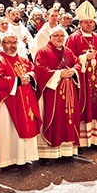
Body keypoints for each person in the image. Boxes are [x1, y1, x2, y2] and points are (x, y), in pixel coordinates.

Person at [0, 34, 42, 170]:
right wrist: (17, 81)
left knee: (26, 127)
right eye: (8, 42)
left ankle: (24, 158)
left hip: (25, 100)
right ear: (2, 44)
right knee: (8, 130)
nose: (12, 46)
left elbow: (33, 71)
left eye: (14, 42)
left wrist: (29, 77)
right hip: (8, 102)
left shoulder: (23, 60)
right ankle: (8, 161)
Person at [65, 1, 97, 149]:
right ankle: (82, 142)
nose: (90, 25)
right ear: (80, 23)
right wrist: (85, 58)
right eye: (86, 22)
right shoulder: (73, 38)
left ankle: (95, 141)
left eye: (91, 22)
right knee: (83, 108)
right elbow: (68, 59)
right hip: (82, 81)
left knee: (96, 108)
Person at [33, 26, 81, 162]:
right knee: (53, 118)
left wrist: (73, 71)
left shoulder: (68, 51)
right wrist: (60, 73)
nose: (59, 38)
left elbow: (77, 64)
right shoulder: (43, 52)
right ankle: (46, 155)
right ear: (50, 37)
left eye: (62, 36)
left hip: (68, 91)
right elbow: (40, 70)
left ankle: (66, 152)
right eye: (56, 36)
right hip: (52, 93)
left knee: (67, 119)